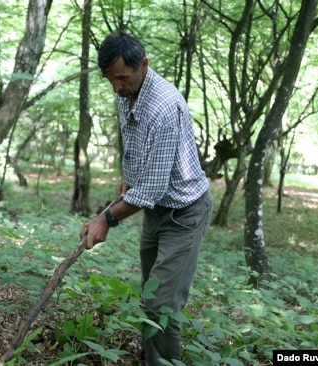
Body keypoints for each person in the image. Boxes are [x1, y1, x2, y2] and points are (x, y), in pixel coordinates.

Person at [79, 31, 213, 366]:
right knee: (149, 296)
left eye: (121, 78)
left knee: (162, 304)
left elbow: (151, 190)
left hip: (184, 214)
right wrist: (129, 176)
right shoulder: (127, 92)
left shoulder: (166, 106)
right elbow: (137, 147)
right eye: (110, 80)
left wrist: (105, 219)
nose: (115, 88)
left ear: (143, 65)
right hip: (156, 212)